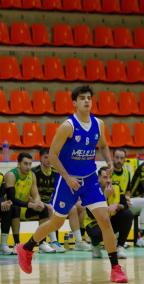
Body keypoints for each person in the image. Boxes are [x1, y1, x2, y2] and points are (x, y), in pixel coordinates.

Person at [16, 85, 128, 283]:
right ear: (75, 103)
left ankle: (116, 268)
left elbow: (102, 145)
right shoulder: (68, 126)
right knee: (56, 222)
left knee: (104, 219)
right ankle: (26, 248)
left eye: (89, 98)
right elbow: (52, 155)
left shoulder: (98, 124)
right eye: (82, 98)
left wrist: (109, 161)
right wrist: (67, 178)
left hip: (90, 178)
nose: (87, 101)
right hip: (68, 180)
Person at [32, 148, 91, 252]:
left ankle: (78, 241)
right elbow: (31, 192)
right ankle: (54, 242)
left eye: (50, 157)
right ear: (40, 158)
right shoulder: (34, 173)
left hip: (55, 201)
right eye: (45, 157)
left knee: (73, 208)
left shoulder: (57, 172)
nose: (48, 160)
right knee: (50, 208)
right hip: (40, 203)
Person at [5, 153, 54, 253]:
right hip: (9, 209)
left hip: (25, 208)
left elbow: (35, 195)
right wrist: (31, 205)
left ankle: (42, 243)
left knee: (43, 208)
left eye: (30, 164)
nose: (28, 167)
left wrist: (38, 203)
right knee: (15, 207)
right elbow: (11, 199)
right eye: (25, 164)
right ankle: (16, 243)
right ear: (19, 164)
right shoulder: (11, 175)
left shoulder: (32, 175)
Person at [85, 166, 133, 259]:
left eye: (110, 177)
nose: (108, 180)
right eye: (105, 177)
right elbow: (91, 214)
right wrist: (105, 197)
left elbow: (125, 205)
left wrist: (117, 206)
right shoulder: (92, 190)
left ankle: (120, 247)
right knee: (96, 234)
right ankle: (95, 245)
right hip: (93, 223)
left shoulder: (116, 187)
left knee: (127, 214)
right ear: (98, 178)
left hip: (109, 221)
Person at [112, 148, 144, 248]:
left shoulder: (126, 172)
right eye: (117, 158)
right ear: (112, 158)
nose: (119, 160)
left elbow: (128, 190)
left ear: (125, 159)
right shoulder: (108, 172)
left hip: (123, 202)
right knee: (120, 210)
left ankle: (141, 237)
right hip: (110, 204)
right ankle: (116, 239)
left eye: (122, 158)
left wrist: (128, 198)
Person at [0, 170, 14, 255]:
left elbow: (1, 195)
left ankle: (4, 244)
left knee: (8, 208)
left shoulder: (1, 176)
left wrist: (5, 203)